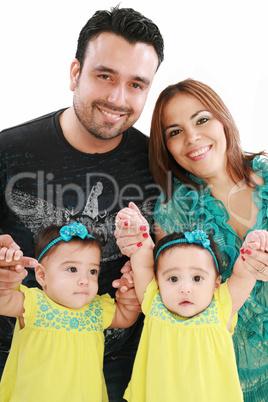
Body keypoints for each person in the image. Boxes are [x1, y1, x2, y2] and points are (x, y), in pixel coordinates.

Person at [0, 6, 164, 400]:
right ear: (75, 72)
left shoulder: (159, 163)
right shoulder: (8, 151)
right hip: (24, 370)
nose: (117, 97)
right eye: (104, 75)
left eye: (137, 84)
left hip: (124, 375)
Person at [116, 79, 268, 401]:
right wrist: (139, 253)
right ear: (166, 147)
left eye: (201, 120)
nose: (192, 137)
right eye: (175, 132)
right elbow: (164, 299)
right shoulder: (172, 212)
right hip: (221, 380)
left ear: (223, 120)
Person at [115, 205, 262, 401]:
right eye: (173, 279)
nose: (185, 288)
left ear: (216, 283)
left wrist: (255, 246)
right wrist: (135, 226)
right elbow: (142, 261)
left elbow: (245, 274)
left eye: (197, 278)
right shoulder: (153, 303)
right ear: (158, 282)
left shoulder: (221, 309)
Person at [0, 222, 139, 402]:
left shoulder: (96, 309)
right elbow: (4, 300)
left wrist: (130, 295)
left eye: (92, 271)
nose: (85, 280)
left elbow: (125, 317)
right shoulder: (34, 304)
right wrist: (6, 279)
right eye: (72, 269)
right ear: (42, 276)